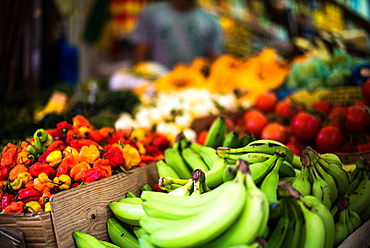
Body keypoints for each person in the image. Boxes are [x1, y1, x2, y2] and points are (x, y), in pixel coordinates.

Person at [130, 0, 224, 69]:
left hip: (195, 85)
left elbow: (215, 57)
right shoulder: (152, 14)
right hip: (158, 83)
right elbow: (141, 50)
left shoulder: (210, 19)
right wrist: (138, 77)